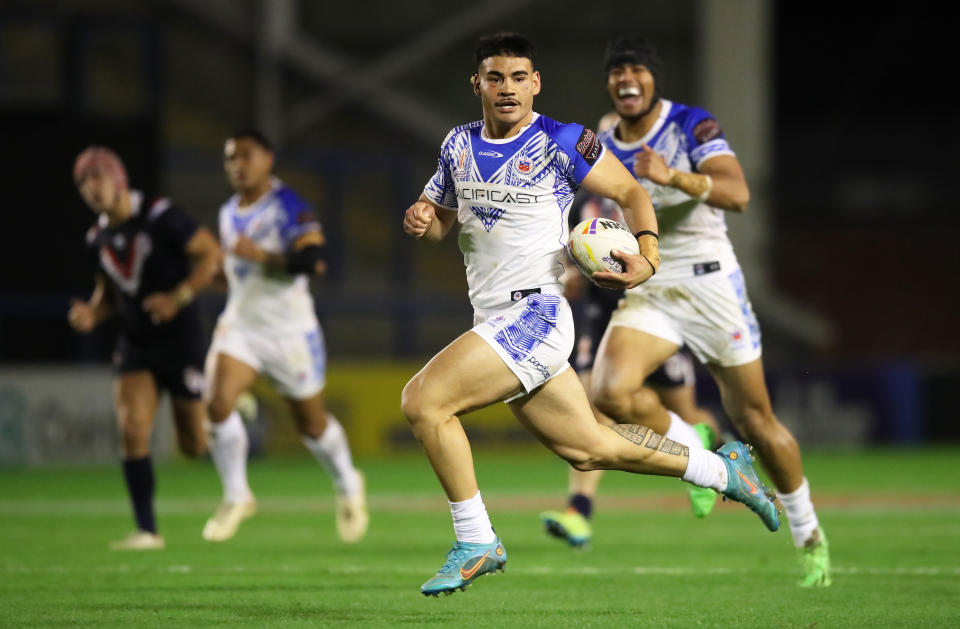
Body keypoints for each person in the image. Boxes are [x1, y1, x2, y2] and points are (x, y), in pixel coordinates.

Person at [400, 31, 778, 597]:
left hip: (537, 314)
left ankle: (476, 539)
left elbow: (632, 194)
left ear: (536, 83)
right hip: (493, 319)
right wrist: (423, 221)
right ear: (477, 83)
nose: (508, 88)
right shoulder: (456, 145)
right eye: (496, 77)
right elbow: (441, 225)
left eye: (519, 77)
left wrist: (648, 257)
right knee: (591, 447)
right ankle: (724, 470)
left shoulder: (562, 141)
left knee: (424, 401)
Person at [580, 37, 831, 587]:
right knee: (608, 394)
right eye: (617, 70)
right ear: (609, 84)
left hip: (711, 284)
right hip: (651, 283)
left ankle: (808, 531)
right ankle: (696, 446)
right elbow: (597, 206)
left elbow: (737, 193)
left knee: (757, 424)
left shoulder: (692, 126)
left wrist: (674, 177)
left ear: (653, 80)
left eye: (637, 70)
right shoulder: (601, 138)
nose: (627, 78)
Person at [200, 129, 368, 544]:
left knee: (311, 425)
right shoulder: (227, 212)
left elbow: (315, 261)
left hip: (289, 332)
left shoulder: (288, 205)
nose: (238, 165)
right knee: (217, 404)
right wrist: (225, 273)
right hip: (241, 327)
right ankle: (237, 495)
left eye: (247, 156)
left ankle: (348, 483)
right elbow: (238, 269)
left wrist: (261, 255)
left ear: (268, 159)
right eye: (231, 158)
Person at [541, 186, 721, 548]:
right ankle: (579, 512)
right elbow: (569, 252)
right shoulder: (585, 205)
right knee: (596, 408)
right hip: (601, 314)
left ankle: (715, 458)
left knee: (683, 409)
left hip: (650, 315)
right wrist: (570, 274)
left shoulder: (651, 199)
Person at [68, 146, 222, 550]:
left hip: (180, 339)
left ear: (118, 179)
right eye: (84, 181)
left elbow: (210, 255)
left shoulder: (161, 215)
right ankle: (147, 530)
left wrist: (177, 297)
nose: (92, 188)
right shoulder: (96, 237)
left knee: (193, 445)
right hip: (136, 343)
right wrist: (92, 313)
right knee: (132, 429)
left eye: (98, 177)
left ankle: (224, 404)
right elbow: (109, 294)